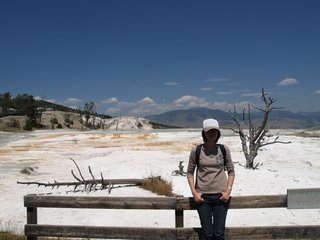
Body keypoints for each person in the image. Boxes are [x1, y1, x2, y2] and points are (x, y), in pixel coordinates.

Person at [187, 118, 235, 240]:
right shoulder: (196, 151)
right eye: (209, 131)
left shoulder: (224, 149)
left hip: (221, 197)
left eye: (215, 131)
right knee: (207, 234)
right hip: (203, 198)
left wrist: (228, 191)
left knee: (219, 234)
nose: (212, 133)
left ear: (218, 132)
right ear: (204, 132)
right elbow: (189, 173)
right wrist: (194, 193)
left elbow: (231, 171)